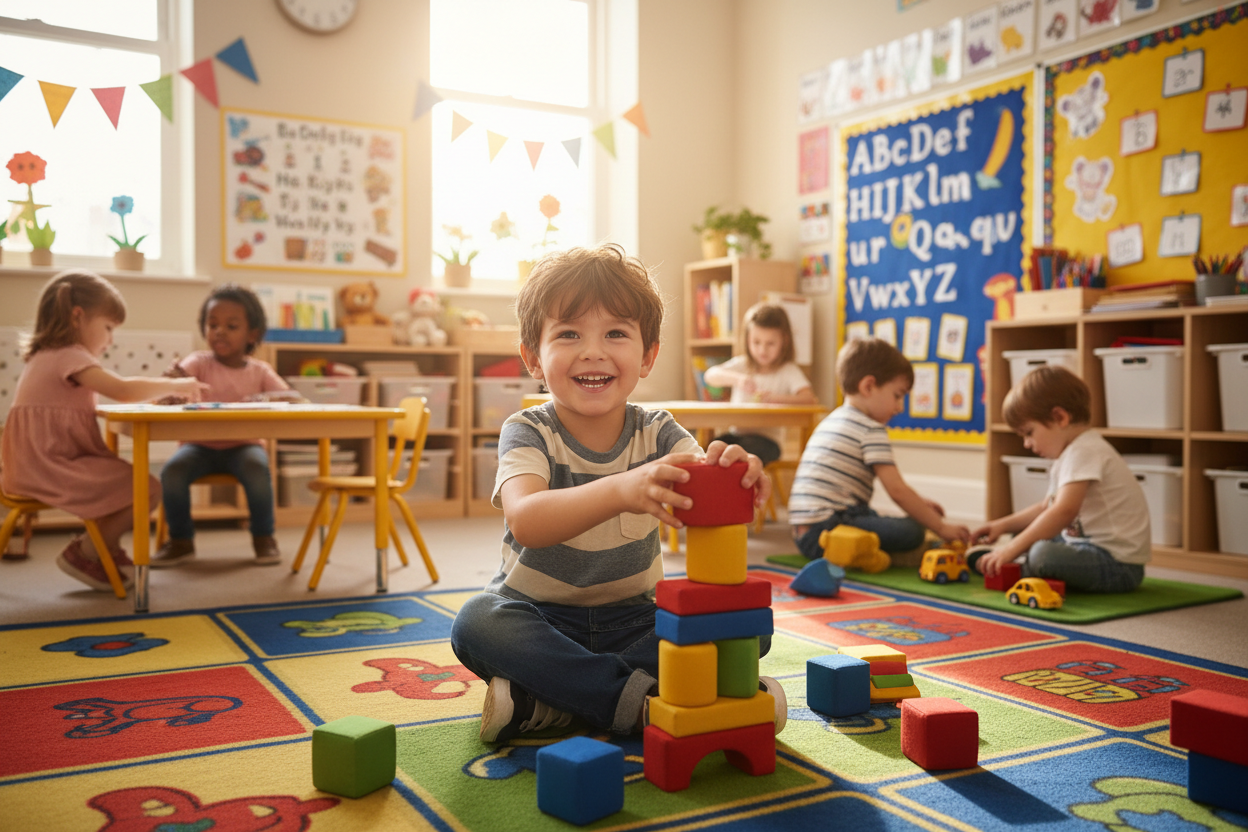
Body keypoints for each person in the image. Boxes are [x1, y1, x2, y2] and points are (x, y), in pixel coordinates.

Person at [450, 244, 775, 744]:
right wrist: (622, 488)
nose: (593, 351)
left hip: (635, 619)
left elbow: (706, 488)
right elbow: (528, 520)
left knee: (749, 626)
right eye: (569, 334)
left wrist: (739, 476)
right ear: (533, 357)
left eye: (616, 333)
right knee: (476, 623)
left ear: (647, 356)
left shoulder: (660, 431)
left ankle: (552, 703)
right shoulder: (528, 430)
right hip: (539, 616)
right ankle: (644, 702)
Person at [0, 270, 207, 591]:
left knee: (127, 482)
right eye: (108, 328)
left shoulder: (45, 354)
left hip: (31, 465)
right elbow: (122, 390)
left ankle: (102, 547)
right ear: (77, 317)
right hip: (51, 466)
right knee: (148, 488)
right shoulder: (70, 355)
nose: (111, 340)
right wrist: (176, 384)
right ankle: (87, 551)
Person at [153, 283, 299, 567]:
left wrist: (274, 397)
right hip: (198, 446)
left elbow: (289, 397)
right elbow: (173, 386)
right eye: (213, 324)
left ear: (252, 335)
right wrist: (171, 382)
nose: (219, 331)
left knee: (258, 469)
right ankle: (180, 541)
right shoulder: (198, 362)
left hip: (244, 447)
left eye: (231, 326)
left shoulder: (260, 370)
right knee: (172, 472)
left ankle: (264, 538)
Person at [969, 365, 1149, 592]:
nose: (1026, 444)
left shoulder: (1084, 451)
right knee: (1025, 533)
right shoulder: (1071, 453)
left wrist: (1012, 548)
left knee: (1042, 553)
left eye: (1029, 432)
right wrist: (1001, 525)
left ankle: (1014, 569)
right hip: (1088, 550)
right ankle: (1013, 562)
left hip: (1116, 565)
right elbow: (1048, 508)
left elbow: (1063, 511)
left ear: (1059, 417)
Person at [788, 337, 969, 563]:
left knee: (874, 516)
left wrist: (920, 505)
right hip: (830, 528)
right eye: (897, 395)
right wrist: (941, 527)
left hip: (803, 534)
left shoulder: (831, 420)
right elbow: (897, 491)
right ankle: (854, 551)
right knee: (912, 531)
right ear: (868, 386)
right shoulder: (870, 429)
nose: (899, 407)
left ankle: (857, 551)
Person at [702, 302, 817, 465]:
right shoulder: (743, 365)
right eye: (756, 342)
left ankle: (739, 490)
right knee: (713, 449)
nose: (762, 350)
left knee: (741, 455)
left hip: (768, 441)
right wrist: (738, 379)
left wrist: (775, 399)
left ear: (784, 341)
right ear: (747, 339)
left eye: (770, 344)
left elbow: (809, 399)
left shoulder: (787, 370)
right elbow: (710, 375)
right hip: (737, 436)